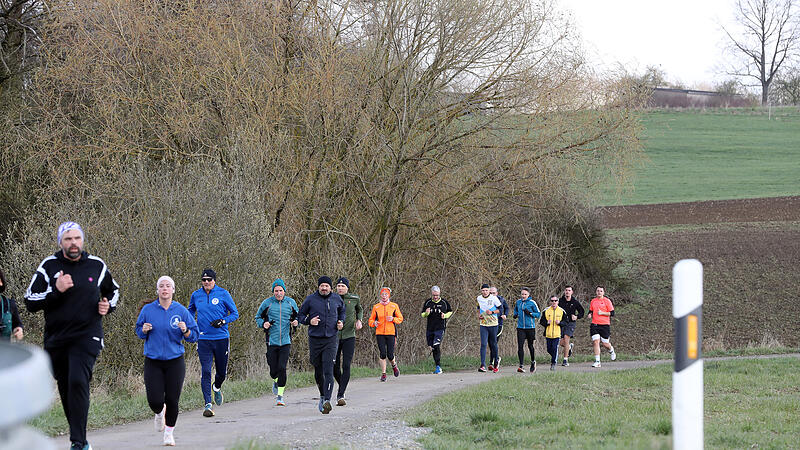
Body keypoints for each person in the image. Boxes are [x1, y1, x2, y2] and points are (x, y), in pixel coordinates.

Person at [24, 222, 120, 450]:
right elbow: (30, 301)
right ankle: (81, 439)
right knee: (66, 387)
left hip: (88, 335)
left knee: (78, 381)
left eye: (77, 238)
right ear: (60, 242)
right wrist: (56, 289)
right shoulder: (49, 266)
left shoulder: (96, 265)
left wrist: (108, 305)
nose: (73, 243)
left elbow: (113, 290)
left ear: (83, 240)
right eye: (68, 239)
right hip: (57, 339)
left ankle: (77, 442)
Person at [135, 276, 199, 446]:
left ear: (173, 290)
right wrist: (143, 330)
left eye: (168, 286)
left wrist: (186, 331)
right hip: (153, 360)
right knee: (155, 400)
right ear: (157, 291)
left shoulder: (181, 310)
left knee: (172, 399)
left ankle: (169, 433)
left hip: (175, 361)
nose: (164, 289)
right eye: (161, 286)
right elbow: (138, 331)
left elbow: (194, 335)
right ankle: (158, 412)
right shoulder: (148, 310)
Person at [187, 268, 239, 417]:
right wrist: (191, 323)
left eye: (209, 280)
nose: (206, 282)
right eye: (204, 280)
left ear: (214, 281)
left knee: (221, 372)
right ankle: (207, 404)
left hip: (221, 337)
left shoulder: (223, 293)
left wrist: (223, 321)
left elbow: (235, 313)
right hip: (203, 338)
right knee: (206, 370)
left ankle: (216, 387)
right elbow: (190, 311)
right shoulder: (196, 295)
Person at [297, 276, 345, 414]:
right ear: (318, 287)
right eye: (322, 286)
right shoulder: (310, 299)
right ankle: (323, 395)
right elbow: (300, 316)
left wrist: (341, 321)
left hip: (331, 339)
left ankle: (327, 401)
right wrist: (309, 321)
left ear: (331, 287)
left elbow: (342, 311)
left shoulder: (337, 299)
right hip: (315, 339)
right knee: (318, 370)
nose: (324, 288)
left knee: (328, 369)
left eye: (327, 286)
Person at [255, 278, 299, 407]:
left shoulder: (291, 303)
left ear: (284, 291)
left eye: (280, 291)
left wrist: (296, 323)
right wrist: (264, 324)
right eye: (276, 291)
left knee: (282, 367)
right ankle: (275, 380)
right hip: (271, 341)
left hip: (286, 341)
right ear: (273, 292)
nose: (278, 293)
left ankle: (280, 396)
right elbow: (257, 317)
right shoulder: (267, 303)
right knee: (273, 369)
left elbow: (298, 316)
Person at [333, 277, 362, 406]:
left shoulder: (354, 299)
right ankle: (342, 385)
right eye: (338, 286)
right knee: (334, 366)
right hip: (334, 336)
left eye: (342, 286)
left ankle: (341, 393)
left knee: (346, 365)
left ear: (347, 288)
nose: (340, 288)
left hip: (349, 336)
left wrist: (359, 320)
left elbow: (359, 309)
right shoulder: (332, 299)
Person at [369, 287, 404, 381]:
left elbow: (400, 318)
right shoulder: (376, 307)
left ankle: (394, 365)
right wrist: (374, 323)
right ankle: (383, 374)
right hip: (380, 333)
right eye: (383, 294)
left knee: (390, 354)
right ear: (380, 295)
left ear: (389, 295)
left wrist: (393, 319)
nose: (384, 296)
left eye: (386, 294)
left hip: (391, 333)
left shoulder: (394, 306)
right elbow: (370, 320)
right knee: (382, 354)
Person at [421, 285, 453, 374]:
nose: (435, 297)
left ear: (439, 294)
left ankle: (438, 366)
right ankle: (437, 366)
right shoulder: (428, 302)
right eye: (434, 295)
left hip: (440, 328)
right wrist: (426, 313)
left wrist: (445, 316)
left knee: (436, 344)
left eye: (437, 295)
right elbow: (422, 314)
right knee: (432, 347)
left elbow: (450, 311)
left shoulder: (444, 302)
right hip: (430, 328)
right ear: (431, 294)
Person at [512, 287, 540, 373]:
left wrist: (530, 313)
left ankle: (533, 361)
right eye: (522, 294)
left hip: (530, 327)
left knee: (530, 346)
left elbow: (538, 314)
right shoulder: (518, 302)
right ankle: (521, 365)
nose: (523, 296)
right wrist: (515, 315)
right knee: (520, 346)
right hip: (520, 328)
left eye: (525, 294)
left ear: (528, 295)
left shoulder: (532, 303)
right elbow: (515, 311)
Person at [588, 286, 616, 368]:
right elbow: (591, 310)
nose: (599, 292)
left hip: (605, 325)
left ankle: (611, 350)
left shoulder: (607, 301)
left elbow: (612, 313)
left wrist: (603, 313)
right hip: (595, 324)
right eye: (597, 291)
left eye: (601, 291)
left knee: (605, 343)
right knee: (596, 342)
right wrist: (589, 314)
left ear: (603, 293)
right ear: (596, 292)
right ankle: (597, 361)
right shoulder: (593, 301)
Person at [476, 283, 501, 373]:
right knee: (483, 344)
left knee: (493, 344)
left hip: (493, 324)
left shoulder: (494, 298)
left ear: (489, 291)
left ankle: (496, 362)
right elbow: (478, 307)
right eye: (483, 290)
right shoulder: (479, 298)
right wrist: (479, 314)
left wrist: (492, 312)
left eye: (486, 290)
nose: (485, 292)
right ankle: (482, 365)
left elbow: (500, 309)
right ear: (481, 291)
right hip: (483, 324)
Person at [558, 285, 584, 367]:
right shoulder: (560, 301)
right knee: (560, 342)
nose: (567, 292)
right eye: (566, 290)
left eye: (569, 290)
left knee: (566, 338)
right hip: (561, 323)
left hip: (570, 323)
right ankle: (569, 347)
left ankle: (565, 360)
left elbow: (582, 311)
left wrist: (577, 317)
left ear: (572, 292)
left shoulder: (575, 302)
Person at [541, 296, 565, 371]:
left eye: (555, 301)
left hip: (557, 334)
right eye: (552, 301)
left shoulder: (561, 311)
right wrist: (547, 323)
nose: (554, 302)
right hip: (548, 334)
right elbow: (541, 322)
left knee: (555, 348)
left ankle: (553, 363)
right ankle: (555, 356)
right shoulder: (546, 310)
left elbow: (566, 322)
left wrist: (560, 323)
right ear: (550, 302)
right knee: (549, 349)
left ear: (558, 302)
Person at [0, 268, 24, 341]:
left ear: (1, 282)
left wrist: (19, 330)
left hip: (5, 350)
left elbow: (17, 324)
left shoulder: (9, 304)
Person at [489, 286, 509, 368]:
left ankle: (492, 362)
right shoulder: (487, 301)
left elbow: (507, 308)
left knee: (494, 342)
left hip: (498, 324)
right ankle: (496, 358)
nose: (492, 294)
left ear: (497, 293)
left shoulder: (501, 300)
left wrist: (505, 315)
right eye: (491, 293)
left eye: (494, 293)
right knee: (490, 343)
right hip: (489, 324)